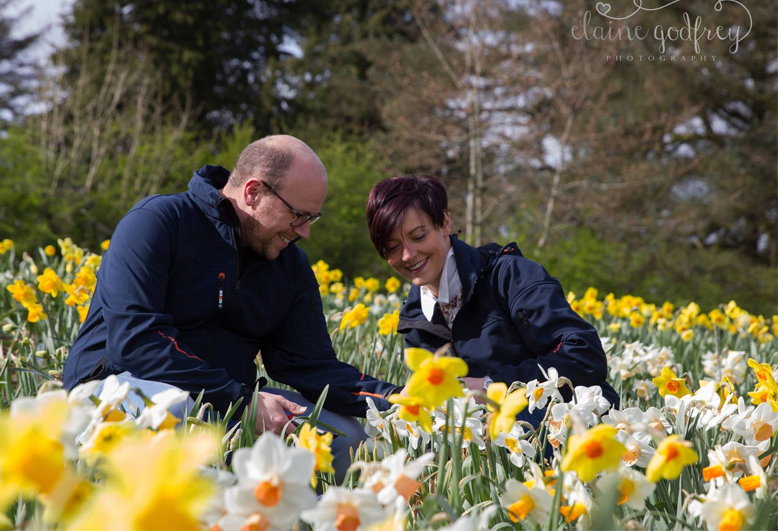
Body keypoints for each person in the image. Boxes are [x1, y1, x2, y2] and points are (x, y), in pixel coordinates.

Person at [63, 135, 400, 481]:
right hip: (115, 386)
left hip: (225, 401)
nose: (304, 233)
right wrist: (240, 400)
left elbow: (312, 365)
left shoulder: (290, 266)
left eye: (311, 219)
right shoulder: (159, 222)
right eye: (298, 215)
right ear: (253, 193)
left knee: (346, 438)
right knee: (177, 411)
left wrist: (404, 401)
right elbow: (136, 340)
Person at [365, 175, 620, 427]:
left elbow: (585, 354)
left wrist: (490, 386)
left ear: (444, 223)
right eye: (392, 248)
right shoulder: (415, 318)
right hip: (483, 439)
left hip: (569, 419)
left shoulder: (510, 276)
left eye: (418, 237)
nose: (408, 255)